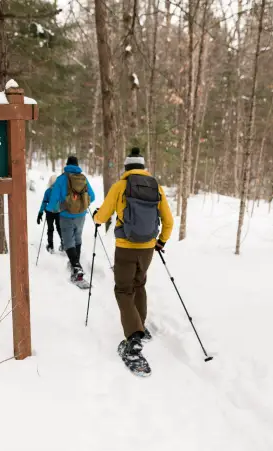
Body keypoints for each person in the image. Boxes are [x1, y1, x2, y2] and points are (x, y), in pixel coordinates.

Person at [93, 147, 173, 376]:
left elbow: (104, 214)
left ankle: (134, 338)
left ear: (126, 168)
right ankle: (140, 325)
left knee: (123, 289)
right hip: (148, 247)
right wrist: (161, 242)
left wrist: (96, 217)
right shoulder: (156, 187)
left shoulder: (120, 186)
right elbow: (168, 221)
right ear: (144, 168)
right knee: (139, 284)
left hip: (126, 247)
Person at [47, 156, 96, 284]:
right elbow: (93, 196)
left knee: (69, 241)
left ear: (67, 164)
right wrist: (82, 204)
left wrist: (51, 208)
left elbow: (53, 200)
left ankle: (76, 267)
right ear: (77, 165)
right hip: (81, 215)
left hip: (66, 215)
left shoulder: (61, 179)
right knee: (78, 238)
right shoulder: (83, 178)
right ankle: (75, 263)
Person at [37, 175, 64, 253]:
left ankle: (50, 246)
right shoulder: (60, 191)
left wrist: (40, 213)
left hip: (49, 212)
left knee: (50, 229)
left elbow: (44, 203)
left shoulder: (48, 191)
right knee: (59, 228)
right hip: (59, 212)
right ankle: (64, 244)